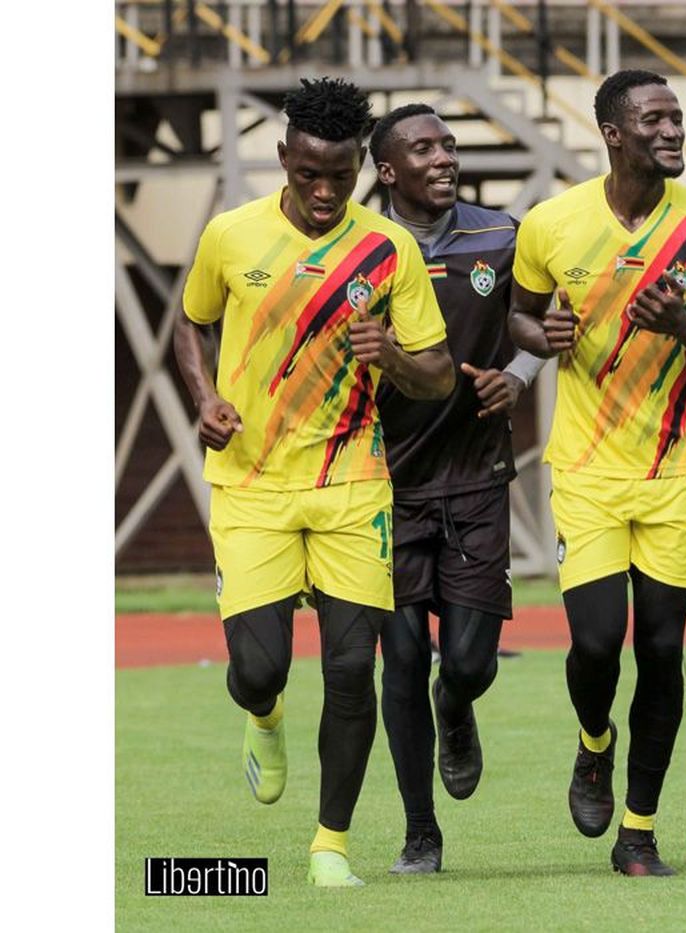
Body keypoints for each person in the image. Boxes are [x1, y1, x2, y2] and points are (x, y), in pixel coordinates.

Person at [173, 77, 454, 887]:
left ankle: (330, 844)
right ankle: (263, 716)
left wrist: (391, 356)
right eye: (308, 175)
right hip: (251, 485)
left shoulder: (390, 249)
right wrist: (205, 399)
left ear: (361, 166)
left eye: (341, 176)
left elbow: (438, 373)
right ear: (283, 159)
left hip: (353, 484)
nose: (326, 192)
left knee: (350, 669)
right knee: (259, 669)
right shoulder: (230, 236)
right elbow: (192, 320)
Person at [507, 69, 686, 877]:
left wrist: (684, 324)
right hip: (587, 471)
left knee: (659, 651)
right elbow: (518, 315)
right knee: (595, 644)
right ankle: (595, 741)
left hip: (680, 472)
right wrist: (541, 334)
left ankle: (640, 830)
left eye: (677, 118)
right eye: (654, 119)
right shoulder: (552, 223)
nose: (673, 130)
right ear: (613, 134)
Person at [367, 103, 545, 875]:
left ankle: (457, 704)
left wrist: (519, 375)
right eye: (423, 148)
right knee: (402, 659)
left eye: (448, 144)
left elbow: (543, 322)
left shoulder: (501, 236)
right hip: (381, 487)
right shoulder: (360, 249)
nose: (444, 157)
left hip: (476, 475)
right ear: (386, 170)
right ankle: (420, 833)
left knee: (468, 662)